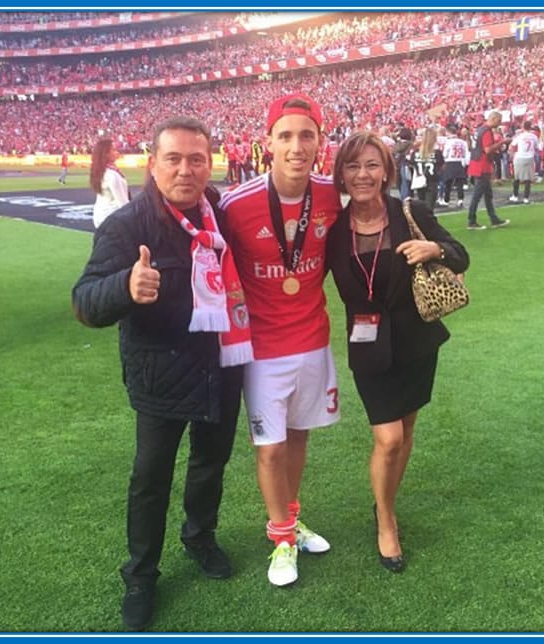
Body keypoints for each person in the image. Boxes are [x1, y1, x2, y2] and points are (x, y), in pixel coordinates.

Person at [71, 116, 252, 631]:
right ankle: (142, 574)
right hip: (161, 374)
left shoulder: (219, 212)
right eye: (173, 158)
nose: (186, 169)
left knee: (210, 463)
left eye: (197, 159)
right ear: (152, 164)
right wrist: (126, 287)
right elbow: (85, 300)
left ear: (210, 163)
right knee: (151, 479)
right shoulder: (127, 226)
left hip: (221, 365)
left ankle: (199, 537)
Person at [326, 130, 469, 572]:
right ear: (342, 175)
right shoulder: (332, 232)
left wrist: (436, 247)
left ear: (387, 170)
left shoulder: (411, 211)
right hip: (367, 347)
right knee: (387, 438)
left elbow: (459, 256)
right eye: (353, 166)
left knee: (405, 431)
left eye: (372, 165)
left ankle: (384, 500)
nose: (363, 174)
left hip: (417, 342)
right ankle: (385, 519)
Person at [219, 94, 341, 587]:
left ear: (319, 142)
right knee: (268, 449)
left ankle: (291, 519)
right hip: (263, 349)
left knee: (296, 439)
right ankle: (282, 538)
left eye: (306, 135)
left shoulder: (333, 195)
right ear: (267, 143)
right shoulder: (237, 203)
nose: (296, 146)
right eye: (285, 136)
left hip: (313, 340)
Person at [466, 111, 511, 230]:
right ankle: (472, 220)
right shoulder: (486, 131)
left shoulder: (480, 129)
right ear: (494, 119)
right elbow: (487, 149)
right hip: (482, 165)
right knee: (478, 194)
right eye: (499, 120)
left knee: (487, 194)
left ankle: (494, 219)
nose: (499, 123)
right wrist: (502, 142)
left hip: (478, 164)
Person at [90, 138, 131, 228]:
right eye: (113, 150)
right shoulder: (112, 175)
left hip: (100, 216)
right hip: (111, 219)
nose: (117, 152)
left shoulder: (100, 172)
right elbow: (123, 204)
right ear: (106, 154)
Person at [409, 127, 444, 211]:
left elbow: (411, 165)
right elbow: (442, 167)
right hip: (432, 181)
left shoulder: (415, 152)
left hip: (420, 181)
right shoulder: (437, 153)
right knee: (429, 209)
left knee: (421, 208)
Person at [508, 121, 539, 204]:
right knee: (528, 179)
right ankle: (526, 198)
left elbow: (512, 145)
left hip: (520, 157)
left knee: (517, 178)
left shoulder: (520, 136)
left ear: (523, 127)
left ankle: (515, 196)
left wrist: (512, 153)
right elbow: (537, 147)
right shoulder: (534, 136)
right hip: (529, 157)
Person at [441, 125, 468, 208]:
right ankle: (460, 199)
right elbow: (466, 153)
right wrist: (465, 163)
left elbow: (445, 153)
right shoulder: (463, 142)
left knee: (448, 183)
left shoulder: (448, 142)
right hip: (460, 162)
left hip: (450, 162)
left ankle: (446, 199)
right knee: (460, 183)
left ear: (448, 132)